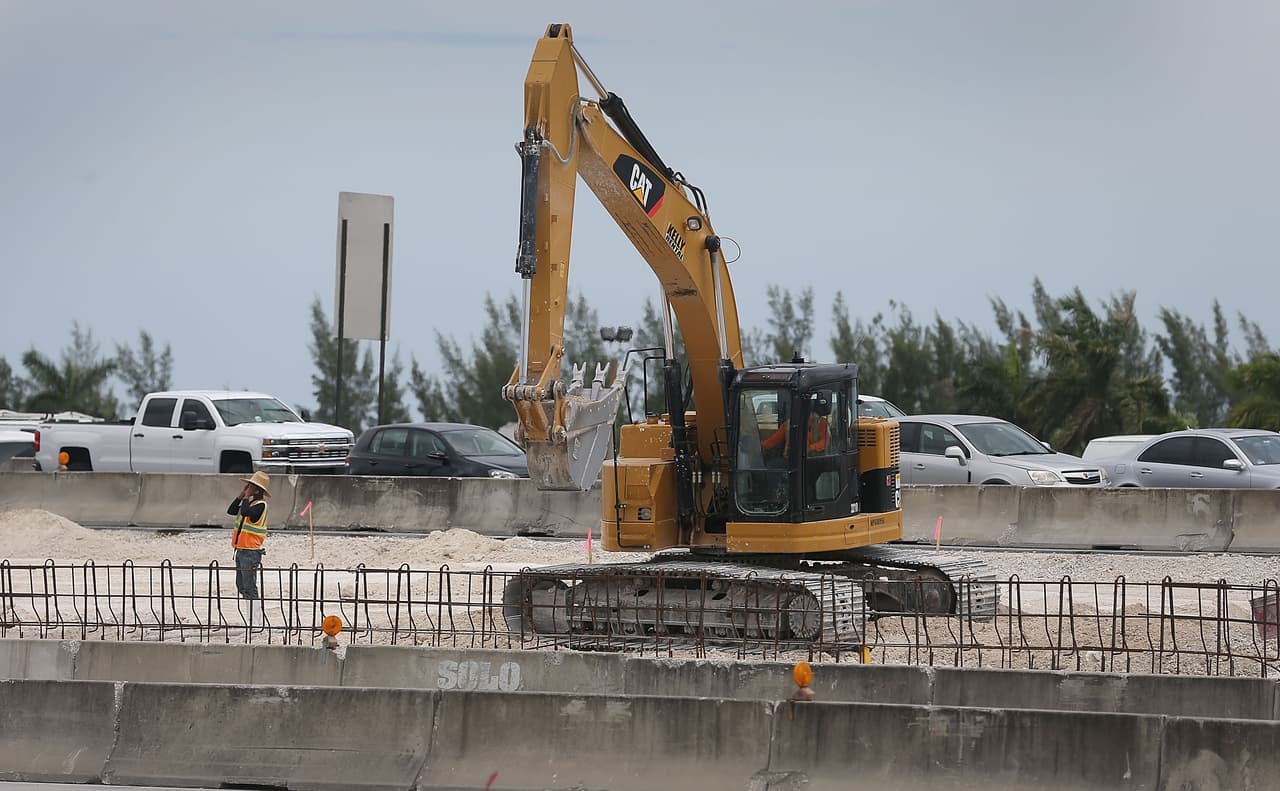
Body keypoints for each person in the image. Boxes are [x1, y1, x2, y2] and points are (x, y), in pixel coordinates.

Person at [227, 471, 270, 606]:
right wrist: (241, 497)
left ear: (257, 489)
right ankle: (251, 617)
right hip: (241, 551)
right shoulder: (250, 504)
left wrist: (246, 497)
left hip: (251, 552)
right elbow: (232, 511)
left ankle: (255, 620)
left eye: (250, 486)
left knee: (250, 587)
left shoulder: (261, 505)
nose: (247, 488)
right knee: (242, 586)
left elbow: (245, 513)